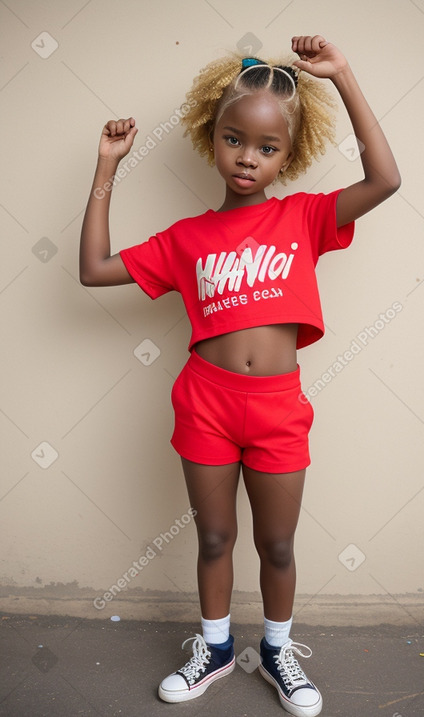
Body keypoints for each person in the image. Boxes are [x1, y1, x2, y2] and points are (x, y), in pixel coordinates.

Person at [80, 34, 400, 717]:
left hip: (278, 406)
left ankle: (279, 650)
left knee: (277, 542)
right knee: (216, 536)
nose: (247, 158)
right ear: (211, 136)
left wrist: (343, 75)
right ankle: (217, 647)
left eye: (266, 147)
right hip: (206, 402)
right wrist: (105, 166)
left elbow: (385, 179)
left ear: (291, 152)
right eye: (234, 140)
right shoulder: (185, 238)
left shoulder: (305, 217)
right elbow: (94, 268)